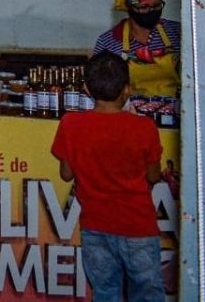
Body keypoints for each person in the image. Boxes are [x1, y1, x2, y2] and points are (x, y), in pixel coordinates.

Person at [51, 52, 164, 301]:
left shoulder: (70, 124)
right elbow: (153, 176)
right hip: (139, 228)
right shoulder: (144, 127)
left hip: (95, 227)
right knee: (147, 294)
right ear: (127, 90)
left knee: (105, 293)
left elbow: (66, 174)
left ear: (86, 89)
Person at [93, 0, 181, 97]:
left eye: (156, 6)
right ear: (128, 8)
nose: (151, 11)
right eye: (143, 7)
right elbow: (101, 88)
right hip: (132, 114)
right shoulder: (108, 42)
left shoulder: (178, 33)